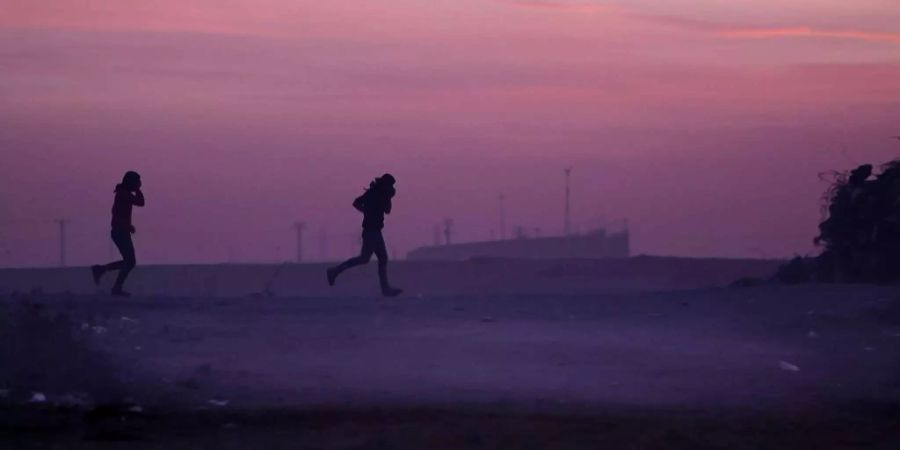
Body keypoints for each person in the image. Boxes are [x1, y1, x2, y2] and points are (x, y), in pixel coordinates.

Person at [327, 174, 403, 297]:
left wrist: (368, 210)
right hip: (371, 231)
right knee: (364, 258)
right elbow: (385, 210)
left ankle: (385, 288)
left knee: (382, 258)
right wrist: (370, 209)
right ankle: (335, 271)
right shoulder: (377, 194)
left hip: (375, 231)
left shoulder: (376, 193)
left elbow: (359, 204)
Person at [91, 171, 145, 296]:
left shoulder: (123, 194)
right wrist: (138, 190)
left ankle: (102, 271)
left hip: (121, 231)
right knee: (130, 261)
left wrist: (127, 225)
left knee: (129, 261)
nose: (138, 183)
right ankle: (114, 286)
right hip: (120, 232)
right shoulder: (123, 194)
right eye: (136, 181)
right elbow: (140, 202)